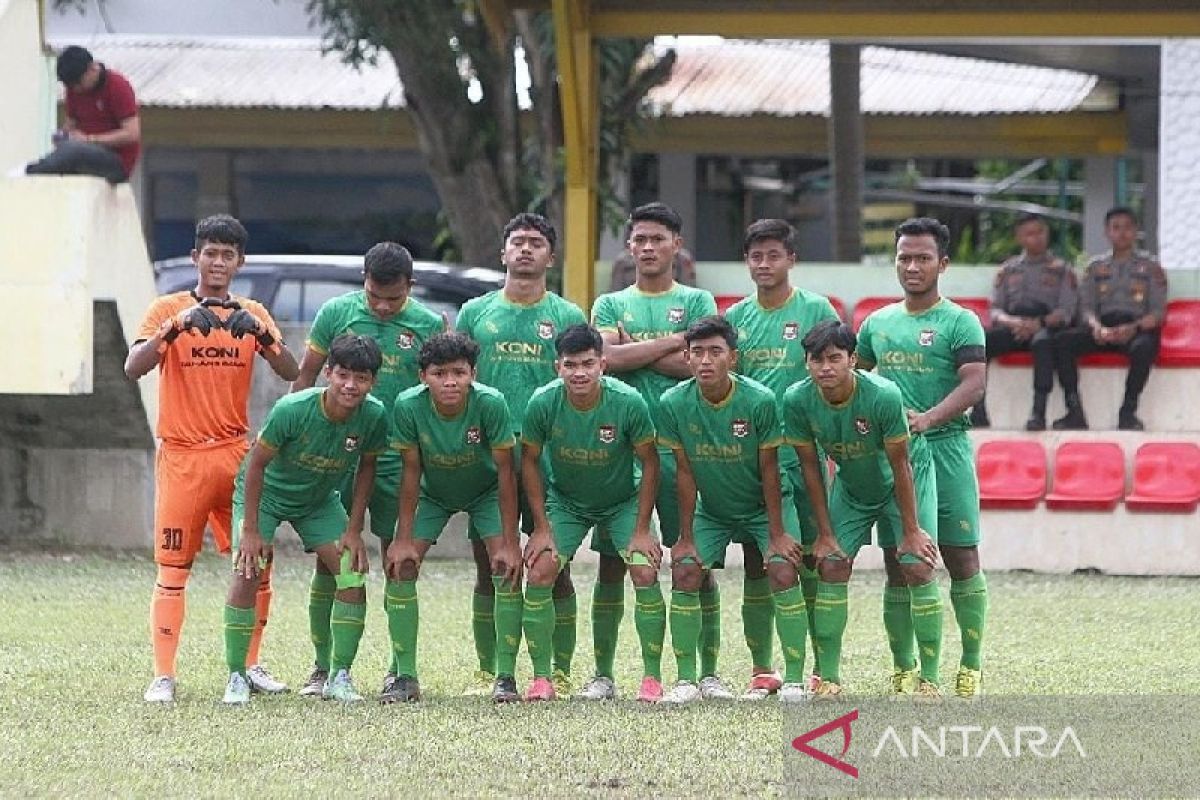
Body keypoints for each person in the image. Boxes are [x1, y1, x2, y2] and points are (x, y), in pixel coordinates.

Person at [124, 214, 298, 704]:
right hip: (182, 457)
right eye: (210, 253)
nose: (218, 262)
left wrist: (264, 337)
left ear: (239, 262)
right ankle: (163, 674)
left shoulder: (253, 311)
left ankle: (250, 664)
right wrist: (175, 330)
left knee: (256, 561)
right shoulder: (168, 308)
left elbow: (289, 368)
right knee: (173, 569)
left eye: (228, 254)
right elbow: (133, 366)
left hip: (235, 455)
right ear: (196, 257)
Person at [290, 242, 446, 702]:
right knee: (333, 560)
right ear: (363, 280)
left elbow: (436, 390)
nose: (381, 306)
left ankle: (403, 673)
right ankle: (326, 668)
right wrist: (299, 432)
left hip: (399, 457)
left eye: (392, 299)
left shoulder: (428, 324)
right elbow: (305, 378)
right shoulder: (335, 313)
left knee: (400, 560)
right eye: (374, 295)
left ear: (410, 289)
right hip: (339, 453)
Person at [589, 202, 727, 701]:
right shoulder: (608, 304)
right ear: (629, 246)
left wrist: (637, 353)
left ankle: (706, 673)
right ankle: (603, 674)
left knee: (694, 562)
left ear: (676, 245)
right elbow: (606, 360)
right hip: (622, 454)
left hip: (683, 451)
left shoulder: (699, 299)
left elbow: (700, 367)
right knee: (613, 564)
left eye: (657, 239)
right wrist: (671, 343)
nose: (647, 248)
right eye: (639, 239)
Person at [454, 213, 587, 697]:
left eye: (536, 243)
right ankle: (491, 671)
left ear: (551, 256)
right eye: (518, 242)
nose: (526, 250)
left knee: (556, 565)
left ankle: (561, 671)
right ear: (503, 253)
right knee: (490, 565)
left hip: (549, 456)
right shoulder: (475, 312)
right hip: (488, 457)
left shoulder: (569, 316)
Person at [856, 217, 988, 700]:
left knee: (959, 555)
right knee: (899, 559)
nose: (912, 266)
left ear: (943, 264)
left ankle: (970, 666)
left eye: (922, 258)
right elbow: (857, 382)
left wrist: (928, 419)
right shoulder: (876, 323)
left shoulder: (960, 321)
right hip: (895, 458)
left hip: (946, 447)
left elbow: (975, 382)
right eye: (904, 257)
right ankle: (904, 668)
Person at [222, 334, 387, 705]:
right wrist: (250, 529)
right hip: (266, 497)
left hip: (317, 500)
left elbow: (368, 468)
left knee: (351, 571)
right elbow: (256, 466)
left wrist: (354, 529)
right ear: (328, 372)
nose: (350, 385)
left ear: (372, 381)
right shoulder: (293, 409)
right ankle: (236, 674)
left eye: (361, 378)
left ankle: (338, 675)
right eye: (343, 375)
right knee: (247, 572)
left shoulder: (374, 414)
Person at [784, 320, 942, 698]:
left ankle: (926, 678)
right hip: (853, 487)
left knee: (916, 565)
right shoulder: (796, 399)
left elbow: (901, 464)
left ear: (853, 359)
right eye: (816, 359)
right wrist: (824, 533)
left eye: (835, 358)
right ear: (806, 363)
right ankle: (830, 679)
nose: (826, 368)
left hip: (901, 481)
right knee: (832, 563)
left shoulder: (882, 395)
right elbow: (811, 467)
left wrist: (910, 531)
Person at [655, 316, 809, 704]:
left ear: (733, 358)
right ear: (687, 358)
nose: (706, 360)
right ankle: (689, 680)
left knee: (782, 567)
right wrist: (686, 537)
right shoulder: (673, 403)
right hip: (715, 510)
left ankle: (791, 679)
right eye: (698, 352)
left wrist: (776, 534)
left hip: (763, 506)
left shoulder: (758, 400)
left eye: (715, 352)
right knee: (687, 570)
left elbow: (770, 468)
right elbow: (685, 472)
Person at [724, 218, 838, 699]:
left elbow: (833, 375)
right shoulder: (736, 318)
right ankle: (761, 668)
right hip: (755, 458)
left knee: (809, 556)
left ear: (792, 259)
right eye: (756, 256)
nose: (764, 264)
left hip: (806, 451)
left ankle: (817, 668)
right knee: (760, 560)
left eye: (774, 255)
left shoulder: (815, 309)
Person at [521, 325, 665, 702]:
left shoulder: (628, 402)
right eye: (571, 365)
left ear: (603, 363)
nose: (580, 372)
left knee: (644, 569)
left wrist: (641, 530)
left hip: (622, 502)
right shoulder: (542, 402)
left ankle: (651, 678)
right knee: (540, 570)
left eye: (588, 363)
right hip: (567, 502)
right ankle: (544, 678)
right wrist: (541, 527)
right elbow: (530, 462)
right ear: (558, 367)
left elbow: (650, 463)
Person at [384, 333, 524, 703]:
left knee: (504, 568)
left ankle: (505, 678)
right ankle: (404, 676)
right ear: (422, 376)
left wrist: (510, 542)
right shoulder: (408, 406)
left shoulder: (491, 404)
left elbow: (506, 474)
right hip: (434, 494)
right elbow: (411, 472)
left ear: (473, 373)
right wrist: (403, 537)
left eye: (459, 373)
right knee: (401, 567)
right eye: (440, 373)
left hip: (486, 492)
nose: (450, 382)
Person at [1052, 207, 1168, 431]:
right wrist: (1097, 327)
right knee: (1061, 341)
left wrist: (1132, 327)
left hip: (1136, 329)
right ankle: (1074, 410)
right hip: (1102, 328)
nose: (1122, 233)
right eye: (1116, 228)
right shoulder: (1095, 268)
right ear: (1107, 232)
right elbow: (1085, 307)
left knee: (1146, 346)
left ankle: (1128, 412)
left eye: (1127, 227)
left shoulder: (1151, 268)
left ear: (1136, 231)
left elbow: (1158, 313)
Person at [970, 213, 1077, 431]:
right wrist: (1013, 322)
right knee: (979, 341)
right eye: (1030, 234)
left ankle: (1038, 413)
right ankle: (978, 410)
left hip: (1046, 328)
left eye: (1041, 232)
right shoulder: (1008, 270)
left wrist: (1039, 323)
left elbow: (1066, 311)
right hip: (1013, 326)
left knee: (1043, 343)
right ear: (1019, 237)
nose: (1037, 238)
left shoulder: (1062, 271)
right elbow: (996, 310)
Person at [26, 46, 140, 182]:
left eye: (78, 83)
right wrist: (64, 136)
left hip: (117, 160)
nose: (75, 89)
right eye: (70, 86)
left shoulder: (117, 86)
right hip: (84, 152)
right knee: (67, 152)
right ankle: (35, 171)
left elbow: (132, 133)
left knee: (74, 152)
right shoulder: (74, 91)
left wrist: (90, 139)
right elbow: (71, 124)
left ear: (92, 69)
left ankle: (32, 172)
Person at [609, 247, 697, 292]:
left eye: (658, 239)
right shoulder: (623, 261)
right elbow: (616, 292)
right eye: (641, 239)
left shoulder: (682, 258)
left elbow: (689, 292)